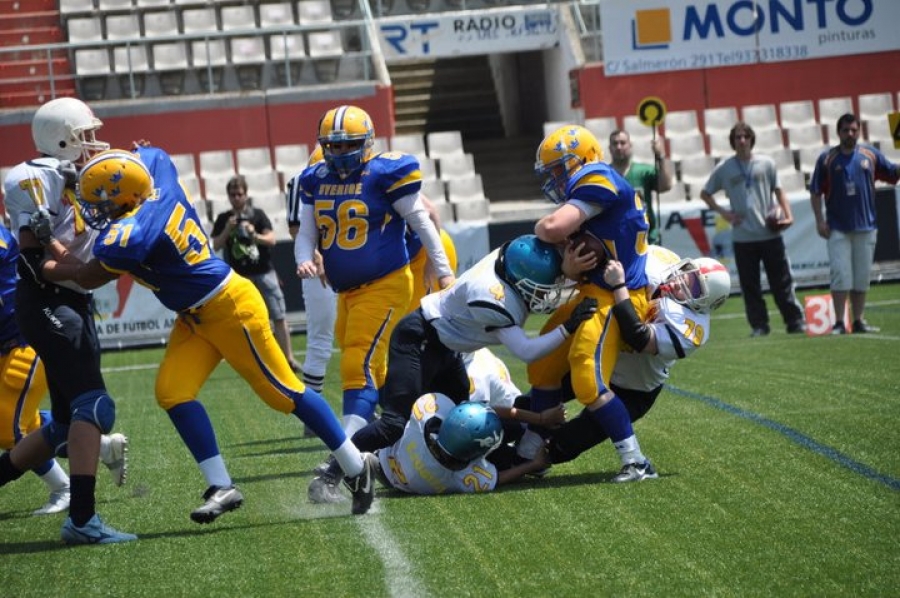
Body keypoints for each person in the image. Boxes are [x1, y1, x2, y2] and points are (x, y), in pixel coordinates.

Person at [34, 146, 378, 520]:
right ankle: (222, 486)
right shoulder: (155, 174)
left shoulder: (132, 231)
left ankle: (357, 468)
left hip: (228, 308)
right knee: (172, 391)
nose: (94, 210)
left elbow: (85, 276)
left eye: (100, 202)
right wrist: (97, 168)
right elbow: (148, 152)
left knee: (283, 394)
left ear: (126, 199)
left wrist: (45, 257)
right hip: (194, 316)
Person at [308, 234, 595, 502]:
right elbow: (527, 352)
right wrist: (567, 328)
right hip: (419, 341)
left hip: (445, 346)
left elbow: (546, 230)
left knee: (468, 416)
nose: (547, 294)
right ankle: (330, 471)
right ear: (521, 282)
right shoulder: (496, 298)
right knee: (393, 424)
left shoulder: (508, 261)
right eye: (542, 287)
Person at [0, 97, 136, 545]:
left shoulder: (73, 176)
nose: (91, 143)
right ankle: (82, 520)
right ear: (61, 138)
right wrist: (85, 272)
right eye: (83, 135)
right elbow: (37, 261)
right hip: (46, 299)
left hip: (68, 301)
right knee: (95, 406)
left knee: (60, 422)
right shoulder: (32, 179)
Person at [294, 105, 455, 441]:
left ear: (366, 143)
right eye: (332, 146)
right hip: (352, 287)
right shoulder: (316, 177)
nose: (338, 155)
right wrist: (312, 257)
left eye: (346, 145)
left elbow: (427, 219)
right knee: (365, 354)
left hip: (400, 270)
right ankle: (396, 423)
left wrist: (438, 271)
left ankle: (352, 447)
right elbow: (310, 232)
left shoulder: (383, 173)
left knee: (369, 357)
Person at [527, 124, 656, 483]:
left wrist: (543, 229)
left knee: (586, 376)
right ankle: (535, 448)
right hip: (591, 291)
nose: (554, 178)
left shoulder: (597, 175)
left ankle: (636, 461)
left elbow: (552, 227)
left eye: (558, 168)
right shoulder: (595, 187)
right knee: (542, 367)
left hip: (617, 296)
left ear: (581, 159)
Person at [526, 247, 731, 470]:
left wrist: (619, 286)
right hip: (603, 356)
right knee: (529, 405)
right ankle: (514, 448)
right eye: (688, 273)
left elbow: (638, 337)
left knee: (562, 447)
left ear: (703, 303)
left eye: (693, 286)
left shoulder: (690, 327)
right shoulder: (657, 261)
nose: (682, 281)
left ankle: (636, 464)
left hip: (633, 388)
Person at [0, 221, 128, 516]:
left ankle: (65, 486)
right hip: (8, 339)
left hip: (21, 338)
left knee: (9, 430)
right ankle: (97, 443)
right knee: (38, 421)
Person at [700, 121, 805, 337]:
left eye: (745, 136)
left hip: (770, 233)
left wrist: (788, 215)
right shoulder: (725, 168)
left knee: (782, 281)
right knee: (750, 286)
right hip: (743, 238)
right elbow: (705, 193)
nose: (741, 140)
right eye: (737, 137)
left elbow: (779, 190)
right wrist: (724, 213)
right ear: (732, 141)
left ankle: (794, 321)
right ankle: (759, 325)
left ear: (751, 139)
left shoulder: (766, 163)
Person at [810, 113, 900, 334]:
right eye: (845, 130)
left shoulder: (870, 155)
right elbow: (815, 192)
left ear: (859, 131)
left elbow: (892, 174)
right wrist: (820, 220)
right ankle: (840, 322)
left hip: (866, 226)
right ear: (838, 132)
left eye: (853, 130)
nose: (850, 134)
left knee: (862, 276)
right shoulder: (827, 159)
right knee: (840, 274)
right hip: (837, 227)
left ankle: (858, 320)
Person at [375, 394, 549, 495]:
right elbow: (499, 479)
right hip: (393, 467)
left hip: (385, 460)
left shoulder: (423, 416)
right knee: (507, 453)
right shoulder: (462, 476)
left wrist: (534, 464)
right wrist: (534, 464)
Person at [212, 175, 299, 371]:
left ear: (246, 194)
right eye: (233, 195)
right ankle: (249, 362)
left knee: (278, 315)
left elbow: (271, 240)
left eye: (239, 194)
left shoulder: (257, 215)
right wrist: (227, 229)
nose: (236, 198)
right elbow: (215, 245)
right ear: (228, 196)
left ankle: (289, 359)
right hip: (238, 277)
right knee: (240, 321)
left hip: (264, 271)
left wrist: (254, 235)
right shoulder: (224, 219)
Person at [287, 145, 337, 436]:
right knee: (320, 338)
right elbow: (297, 228)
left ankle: (375, 403)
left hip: (350, 264)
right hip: (318, 267)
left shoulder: (359, 176)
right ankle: (312, 417)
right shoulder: (302, 180)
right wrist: (316, 253)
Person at [608, 129, 674, 245]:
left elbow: (666, 185)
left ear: (630, 145)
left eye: (622, 143)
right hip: (617, 241)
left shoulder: (643, 172)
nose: (619, 147)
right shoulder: (604, 175)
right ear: (609, 148)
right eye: (615, 143)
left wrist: (660, 156)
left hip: (648, 239)